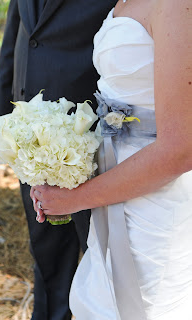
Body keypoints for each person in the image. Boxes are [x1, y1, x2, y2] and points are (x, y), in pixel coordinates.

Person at [31, 0, 192, 319]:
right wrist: (61, 163)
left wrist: (75, 199)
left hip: (155, 201)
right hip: (114, 188)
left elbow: (180, 150)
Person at [0, 0, 117, 319]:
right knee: (45, 252)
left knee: (102, 259)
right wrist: (0, 121)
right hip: (28, 142)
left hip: (90, 139)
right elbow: (17, 36)